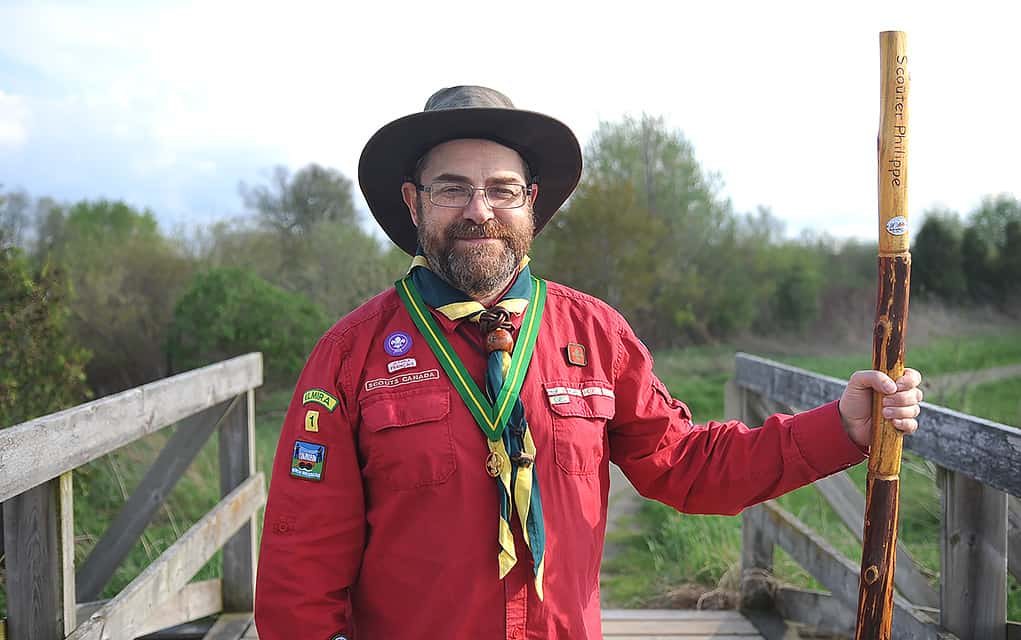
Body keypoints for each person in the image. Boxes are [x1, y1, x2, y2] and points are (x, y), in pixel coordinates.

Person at [253, 86, 923, 640]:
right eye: (452, 188)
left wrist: (842, 428)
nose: (478, 210)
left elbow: (686, 467)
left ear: (531, 204)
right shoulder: (352, 354)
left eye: (502, 189)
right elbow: (300, 556)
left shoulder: (595, 334)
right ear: (413, 202)